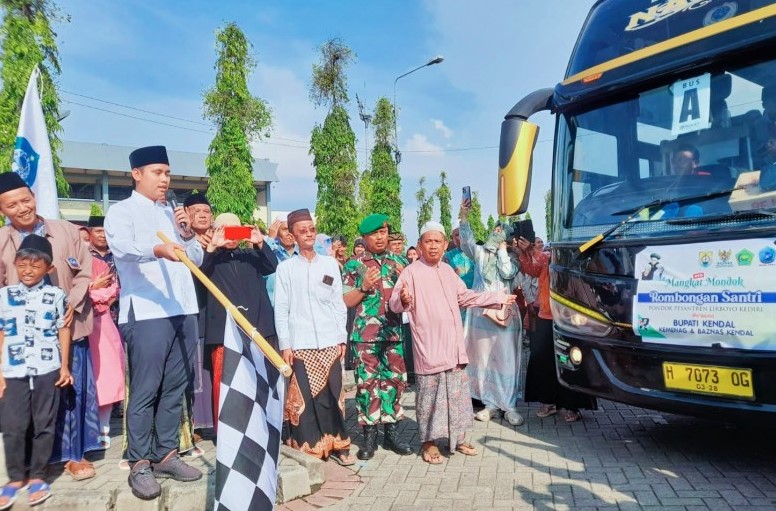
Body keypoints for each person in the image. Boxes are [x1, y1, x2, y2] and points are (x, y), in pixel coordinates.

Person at [105, 145, 203, 500]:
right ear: (137, 174)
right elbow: (122, 248)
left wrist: (188, 234)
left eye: (167, 173)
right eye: (157, 172)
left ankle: (165, 454)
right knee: (146, 390)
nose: (164, 179)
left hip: (183, 308)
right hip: (147, 312)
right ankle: (139, 462)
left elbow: (196, 259)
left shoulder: (172, 213)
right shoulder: (122, 211)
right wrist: (157, 249)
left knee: (176, 387)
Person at [389, 222, 516, 464]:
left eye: (438, 241)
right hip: (429, 347)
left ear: (445, 245)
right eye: (428, 241)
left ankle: (457, 438)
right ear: (420, 245)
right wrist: (402, 299)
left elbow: (466, 296)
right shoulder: (411, 272)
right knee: (429, 399)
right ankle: (428, 443)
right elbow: (395, 304)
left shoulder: (448, 271)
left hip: (453, 347)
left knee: (456, 398)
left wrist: (497, 298)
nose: (433, 246)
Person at [0, 172, 98, 482]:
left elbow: (85, 272)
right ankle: (32, 466)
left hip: (68, 327)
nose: (22, 208)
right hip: (21, 342)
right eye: (12, 205)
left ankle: (73, 456)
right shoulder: (2, 241)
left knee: (71, 392)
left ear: (34, 196)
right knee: (27, 405)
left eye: (26, 199)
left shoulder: (66, 231)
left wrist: (72, 302)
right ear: (2, 210)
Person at [274, 209, 355, 465]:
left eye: (311, 229)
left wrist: (342, 338)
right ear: (293, 235)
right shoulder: (285, 268)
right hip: (301, 343)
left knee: (334, 394)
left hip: (330, 340)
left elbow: (337, 304)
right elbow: (282, 309)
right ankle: (309, 447)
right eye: (302, 231)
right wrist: (285, 344)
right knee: (305, 399)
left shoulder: (330, 264)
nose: (308, 234)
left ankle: (339, 444)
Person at [0, 235, 73, 508]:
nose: (28, 270)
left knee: (44, 422)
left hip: (47, 366)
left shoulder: (56, 295)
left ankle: (38, 476)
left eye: (35, 265)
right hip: (12, 368)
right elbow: (1, 332)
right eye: (23, 264)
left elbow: (63, 329)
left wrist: (64, 365)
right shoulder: (4, 296)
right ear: (15, 264)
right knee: (13, 425)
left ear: (49, 269)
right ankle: (15, 478)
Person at [342, 214, 413, 460]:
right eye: (374, 234)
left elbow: (409, 300)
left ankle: (392, 433)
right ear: (364, 237)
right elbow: (346, 301)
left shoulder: (400, 263)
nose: (380, 237)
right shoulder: (354, 265)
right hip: (365, 336)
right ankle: (369, 437)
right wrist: (362, 287)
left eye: (383, 232)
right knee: (366, 385)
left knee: (394, 381)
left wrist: (406, 300)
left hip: (393, 334)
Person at [201, 212, 278, 428]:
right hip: (224, 331)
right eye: (227, 230)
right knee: (225, 380)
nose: (232, 236)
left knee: (258, 377)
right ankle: (226, 428)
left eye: (237, 230)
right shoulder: (210, 258)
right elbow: (199, 276)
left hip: (256, 327)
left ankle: (260, 424)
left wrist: (260, 243)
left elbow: (272, 266)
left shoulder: (250, 255)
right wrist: (212, 247)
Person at [517, 236, 597, 422]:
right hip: (545, 316)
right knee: (541, 360)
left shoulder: (576, 263)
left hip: (569, 320)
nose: (551, 252)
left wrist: (531, 249)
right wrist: (523, 252)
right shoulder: (546, 261)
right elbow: (530, 269)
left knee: (568, 360)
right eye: (551, 249)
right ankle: (548, 402)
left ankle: (572, 406)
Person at [458, 201, 524, 426]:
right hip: (480, 316)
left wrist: (504, 251)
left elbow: (507, 273)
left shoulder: (513, 259)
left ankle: (509, 405)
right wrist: (464, 216)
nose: (495, 234)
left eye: (500, 232)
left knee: (506, 360)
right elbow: (466, 241)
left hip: (504, 315)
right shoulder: (479, 254)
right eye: (494, 230)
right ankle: (489, 404)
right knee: (483, 360)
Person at [183, 192, 215, 433]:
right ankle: (196, 423)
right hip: (190, 310)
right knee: (195, 368)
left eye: (206, 212)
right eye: (197, 212)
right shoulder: (182, 242)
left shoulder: (219, 240)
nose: (203, 216)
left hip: (214, 312)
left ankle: (212, 420)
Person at [87, 250, 125, 450]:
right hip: (77, 327)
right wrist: (91, 288)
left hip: (102, 325)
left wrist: (89, 293)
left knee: (107, 379)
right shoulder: (65, 264)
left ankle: (104, 428)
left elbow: (111, 291)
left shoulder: (100, 264)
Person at [265, 217, 299, 305]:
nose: (289, 233)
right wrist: (270, 238)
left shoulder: (303, 254)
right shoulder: (271, 254)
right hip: (274, 310)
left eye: (291, 229)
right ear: (277, 233)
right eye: (285, 229)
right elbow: (261, 263)